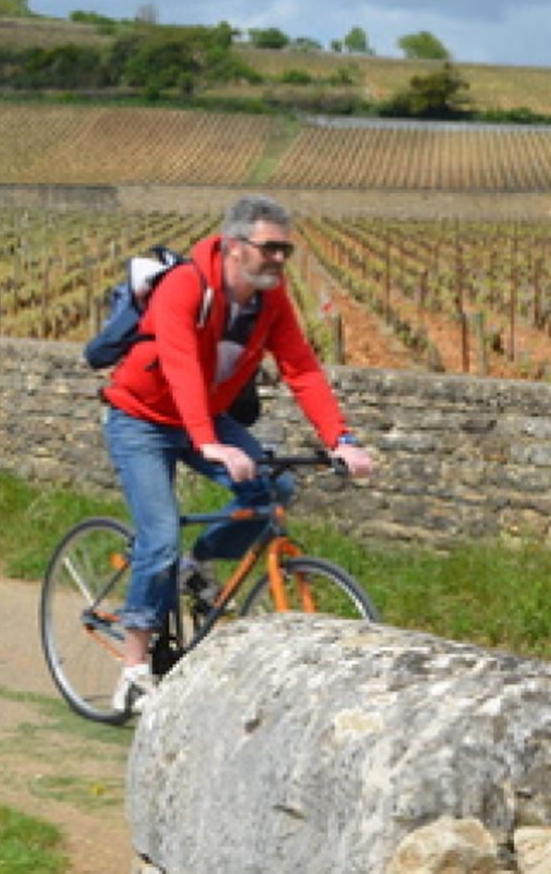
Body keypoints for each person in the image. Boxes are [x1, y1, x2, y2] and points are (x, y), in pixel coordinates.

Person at [102, 194, 373, 713]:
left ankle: (196, 564)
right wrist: (209, 443)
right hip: (141, 416)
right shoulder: (185, 287)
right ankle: (134, 668)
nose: (278, 259)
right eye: (270, 248)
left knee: (274, 489)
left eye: (285, 251)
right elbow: (179, 365)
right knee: (158, 537)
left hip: (201, 415)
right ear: (232, 246)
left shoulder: (269, 301)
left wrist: (341, 439)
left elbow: (301, 367)